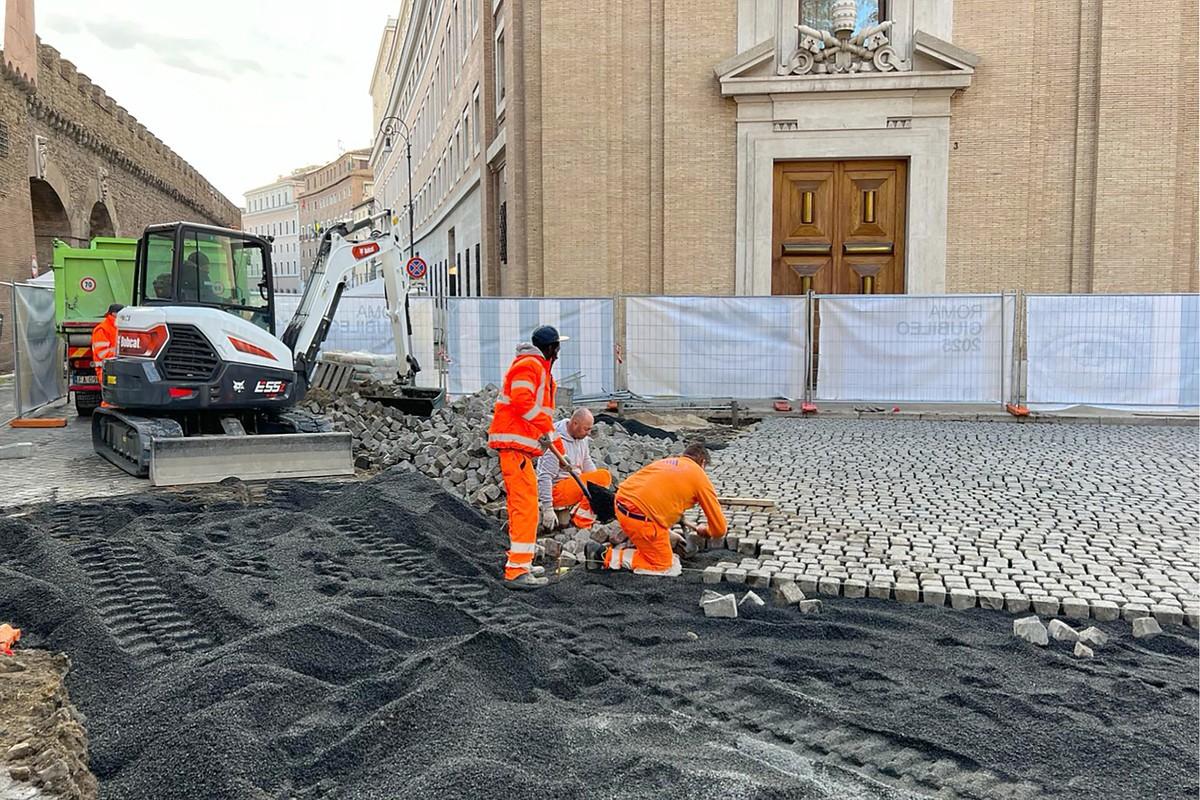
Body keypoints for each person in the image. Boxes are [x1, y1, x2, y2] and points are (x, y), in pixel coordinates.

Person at [488, 325, 568, 590]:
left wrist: (543, 434)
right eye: (557, 347)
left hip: (520, 447)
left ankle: (521, 560)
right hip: (514, 447)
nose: (558, 352)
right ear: (550, 348)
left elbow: (530, 406)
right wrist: (550, 432)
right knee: (524, 507)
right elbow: (523, 402)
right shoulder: (530, 365)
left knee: (525, 505)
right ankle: (517, 571)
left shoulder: (536, 366)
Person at [586, 443, 727, 577]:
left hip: (620, 505)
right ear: (702, 463)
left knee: (656, 535)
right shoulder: (699, 476)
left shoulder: (666, 462)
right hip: (640, 518)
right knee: (667, 567)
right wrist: (705, 531)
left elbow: (653, 498)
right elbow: (720, 529)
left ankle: (642, 541)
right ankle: (603, 555)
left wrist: (670, 530)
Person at [536, 408, 612, 531]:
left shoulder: (581, 437)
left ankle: (578, 512)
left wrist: (597, 487)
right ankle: (582, 520)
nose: (588, 433)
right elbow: (545, 476)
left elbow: (586, 460)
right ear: (575, 423)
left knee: (598, 479)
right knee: (604, 476)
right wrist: (548, 508)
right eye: (586, 429)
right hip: (557, 490)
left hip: (572, 483)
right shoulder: (555, 439)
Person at [91, 303, 123, 385]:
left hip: (117, 370)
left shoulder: (120, 327)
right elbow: (102, 353)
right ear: (114, 314)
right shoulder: (102, 329)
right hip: (106, 371)